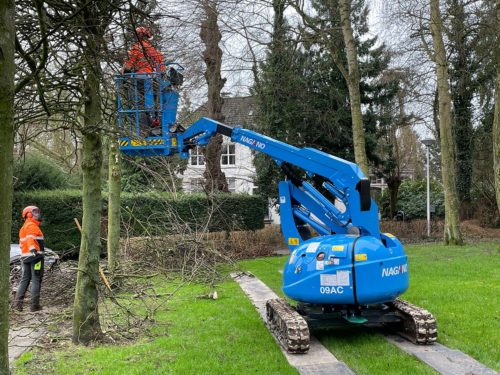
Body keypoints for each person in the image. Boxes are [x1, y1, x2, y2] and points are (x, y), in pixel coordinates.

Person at [121, 27, 166, 134]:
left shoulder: (137, 48)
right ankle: (155, 122)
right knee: (153, 104)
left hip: (140, 79)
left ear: (139, 36)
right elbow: (162, 67)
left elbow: (128, 65)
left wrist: (123, 73)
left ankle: (144, 128)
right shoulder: (153, 50)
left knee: (138, 104)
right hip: (153, 79)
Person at [14, 206, 45, 312]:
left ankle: (17, 305)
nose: (37, 214)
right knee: (36, 279)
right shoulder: (32, 226)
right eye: (34, 212)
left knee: (25, 279)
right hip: (35, 257)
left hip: (25, 257)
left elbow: (23, 242)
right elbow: (30, 238)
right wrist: (33, 250)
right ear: (28, 214)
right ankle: (34, 306)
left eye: (38, 212)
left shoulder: (23, 227)